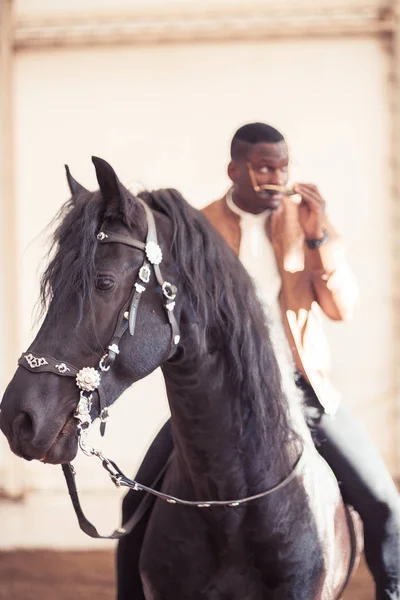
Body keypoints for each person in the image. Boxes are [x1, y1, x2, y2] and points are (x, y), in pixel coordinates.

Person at [201, 122, 400, 600]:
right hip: (221, 394)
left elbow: (341, 308)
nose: (276, 176)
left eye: (283, 166)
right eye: (264, 167)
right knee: (135, 504)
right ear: (235, 170)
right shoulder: (199, 225)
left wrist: (317, 237)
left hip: (305, 388)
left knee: (386, 508)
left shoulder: (305, 219)